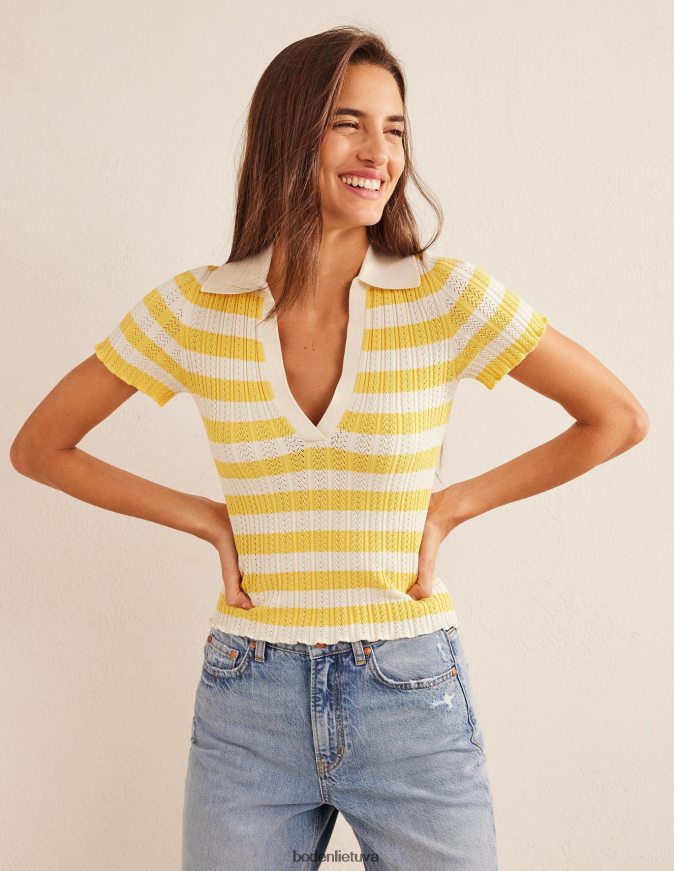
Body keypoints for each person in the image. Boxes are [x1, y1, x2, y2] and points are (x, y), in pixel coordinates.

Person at [10, 25, 649, 871]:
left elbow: (617, 418)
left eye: (395, 130)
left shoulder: (445, 296)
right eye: (349, 123)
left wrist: (451, 506)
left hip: (410, 689)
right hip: (248, 701)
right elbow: (40, 446)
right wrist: (208, 518)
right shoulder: (195, 309)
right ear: (290, 132)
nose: (378, 153)